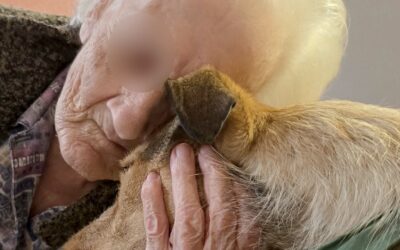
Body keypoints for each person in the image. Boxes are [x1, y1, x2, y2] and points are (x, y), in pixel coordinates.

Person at [0, 0, 346, 249]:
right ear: (98, 9)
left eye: (187, 107)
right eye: (138, 57)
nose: (129, 124)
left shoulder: (212, 220)